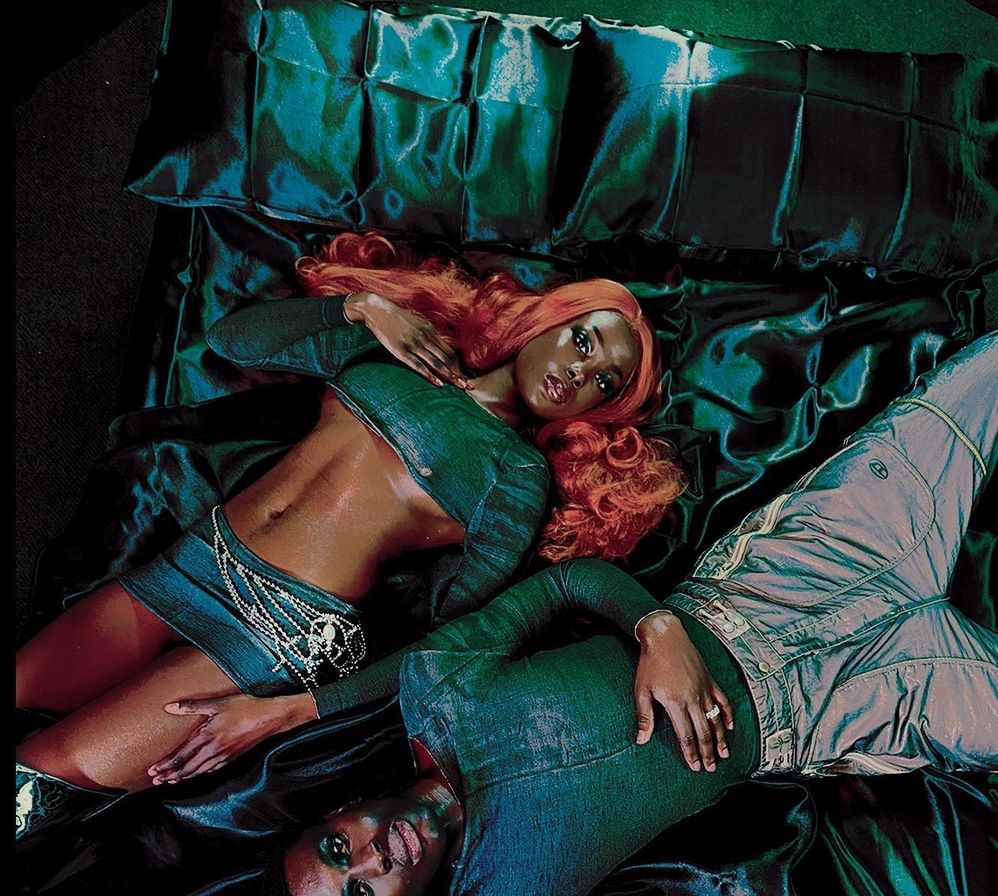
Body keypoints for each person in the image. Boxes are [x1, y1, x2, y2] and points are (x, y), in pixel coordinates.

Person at [264, 326, 998, 896]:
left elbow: (565, 583)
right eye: (362, 895)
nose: (371, 858)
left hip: (776, 578)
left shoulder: (439, 692)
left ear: (341, 810)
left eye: (337, 849)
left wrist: (656, 627)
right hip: (852, 704)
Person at [15, 232, 685, 845]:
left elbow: (444, 644)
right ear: (548, 319)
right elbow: (231, 340)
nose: (581, 373)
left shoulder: (517, 478)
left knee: (34, 781)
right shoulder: (401, 346)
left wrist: (298, 710)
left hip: (278, 637)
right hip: (188, 564)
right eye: (583, 341)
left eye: (605, 383)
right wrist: (359, 309)